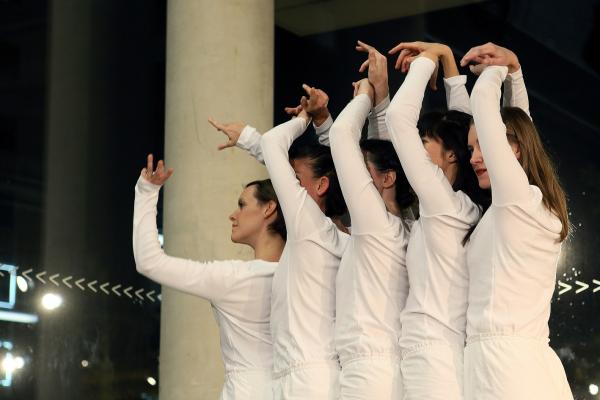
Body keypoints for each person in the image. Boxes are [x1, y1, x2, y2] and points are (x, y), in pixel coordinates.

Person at [461, 42, 573, 400]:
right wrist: (515, 72)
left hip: (502, 368)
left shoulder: (517, 202)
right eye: (471, 149)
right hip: (517, 363)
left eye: (483, 145)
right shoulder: (527, 204)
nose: (475, 158)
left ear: (515, 151)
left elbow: (485, 105)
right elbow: (518, 124)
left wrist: (500, 67)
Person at [133, 154, 286, 400]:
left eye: (242, 205)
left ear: (269, 208)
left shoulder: (234, 278)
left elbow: (149, 262)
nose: (233, 215)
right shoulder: (306, 273)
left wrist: (146, 192)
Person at [385, 41, 485, 400]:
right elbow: (465, 129)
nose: (416, 146)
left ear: (451, 156)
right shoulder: (463, 206)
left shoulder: (443, 204)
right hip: (436, 351)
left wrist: (426, 62)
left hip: (431, 355)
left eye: (424, 140)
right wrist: (446, 58)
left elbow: (399, 120)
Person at [328, 40, 414, 400]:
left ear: (387, 180)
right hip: (381, 369)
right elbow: (386, 162)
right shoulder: (404, 223)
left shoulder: (375, 224)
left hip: (367, 375)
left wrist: (364, 96)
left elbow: (340, 136)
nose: (356, 182)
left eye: (363, 174)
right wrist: (383, 96)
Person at [258, 95, 349, 399]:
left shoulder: (309, 225)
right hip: (312, 375)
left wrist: (304, 119)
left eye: (296, 180)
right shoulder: (346, 239)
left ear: (322, 186)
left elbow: (272, 144)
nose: (288, 187)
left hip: (304, 379)